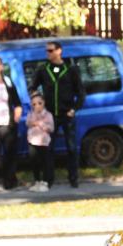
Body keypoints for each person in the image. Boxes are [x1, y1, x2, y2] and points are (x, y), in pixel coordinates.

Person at [29, 41, 85, 189]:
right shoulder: (43, 69)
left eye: (51, 50)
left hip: (67, 114)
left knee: (71, 147)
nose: (48, 53)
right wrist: (37, 100)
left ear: (59, 51)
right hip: (50, 115)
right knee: (48, 148)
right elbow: (32, 87)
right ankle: (49, 179)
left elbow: (81, 92)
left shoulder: (70, 69)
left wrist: (74, 109)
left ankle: (73, 178)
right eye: (46, 51)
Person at [0, 56, 24, 190]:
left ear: (1, 66)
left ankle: (10, 182)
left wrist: (17, 115)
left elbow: (17, 102)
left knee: (10, 154)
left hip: (8, 123)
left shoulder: (7, 82)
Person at [25, 93, 54, 192]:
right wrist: (33, 122)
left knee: (45, 162)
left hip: (44, 142)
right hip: (32, 141)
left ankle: (45, 182)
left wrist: (40, 124)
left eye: (39, 103)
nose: (37, 106)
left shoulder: (48, 115)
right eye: (34, 104)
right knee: (34, 161)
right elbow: (27, 123)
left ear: (43, 103)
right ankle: (37, 181)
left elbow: (51, 128)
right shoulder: (31, 114)